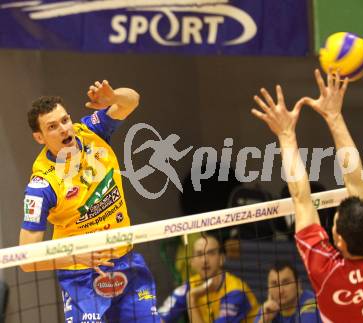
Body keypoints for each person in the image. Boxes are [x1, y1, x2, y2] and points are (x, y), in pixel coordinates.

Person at [252, 70, 363, 322]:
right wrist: (334, 116)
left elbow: (302, 198)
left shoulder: (329, 276)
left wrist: (286, 134)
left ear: (340, 240)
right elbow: (356, 182)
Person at [20, 80, 158, 322]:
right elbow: (26, 260)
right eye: (52, 126)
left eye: (64, 120)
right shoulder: (42, 186)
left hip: (126, 262)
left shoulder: (92, 132)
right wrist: (74, 256)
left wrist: (114, 97)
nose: (64, 129)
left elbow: (133, 99)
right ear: (39, 137)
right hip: (81, 277)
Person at [159, 233, 259, 323]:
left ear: (221, 259)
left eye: (211, 253)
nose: (205, 260)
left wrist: (192, 299)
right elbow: (158, 318)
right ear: (192, 262)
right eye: (199, 254)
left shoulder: (235, 292)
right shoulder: (190, 286)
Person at [254, 261, 320, 323]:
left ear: (298, 284)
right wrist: (264, 320)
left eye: (286, 283)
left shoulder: (311, 304)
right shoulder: (268, 308)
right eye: (274, 284)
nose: (280, 291)